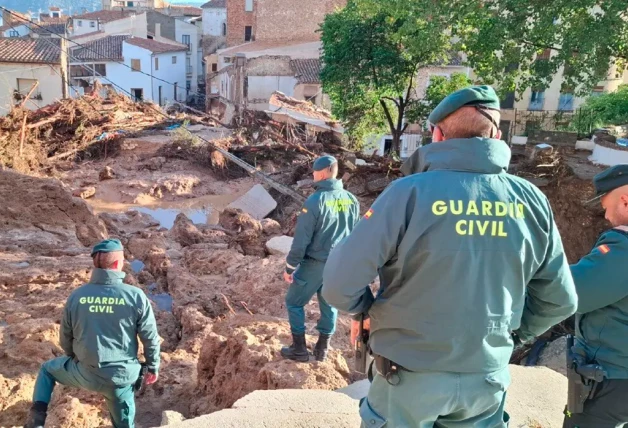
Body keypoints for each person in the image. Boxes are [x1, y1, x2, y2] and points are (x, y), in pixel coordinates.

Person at [322, 85, 578, 427]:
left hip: (407, 378)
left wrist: (367, 311)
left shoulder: (406, 194)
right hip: (485, 379)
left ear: (437, 135)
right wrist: (510, 335)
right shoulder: (531, 200)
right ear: (497, 136)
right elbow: (560, 299)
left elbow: (339, 285)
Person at [25, 239, 160, 428]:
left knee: (47, 370)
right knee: (124, 422)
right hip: (120, 378)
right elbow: (150, 338)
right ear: (117, 264)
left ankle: (36, 420)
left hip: (85, 373)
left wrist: (74, 358)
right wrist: (153, 366)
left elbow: (65, 337)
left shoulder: (77, 296)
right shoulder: (135, 296)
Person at [563, 165, 628, 428]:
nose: (605, 214)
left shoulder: (621, 249)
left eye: (606, 204)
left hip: (612, 378)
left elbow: (571, 293)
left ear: (624, 200)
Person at [281, 155, 360, 363]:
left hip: (315, 264)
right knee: (329, 304)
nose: (313, 175)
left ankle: (299, 349)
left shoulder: (315, 200)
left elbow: (301, 240)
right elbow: (356, 235)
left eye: (315, 172)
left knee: (294, 302)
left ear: (323, 173)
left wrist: (290, 267)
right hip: (338, 264)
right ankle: (322, 349)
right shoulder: (351, 200)